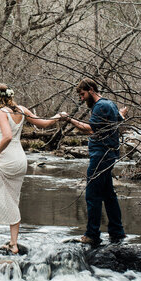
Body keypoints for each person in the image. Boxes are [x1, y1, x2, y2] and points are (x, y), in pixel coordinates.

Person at [0, 83, 61, 254]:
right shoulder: (21, 109)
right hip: (20, 159)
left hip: (5, 158)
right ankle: (13, 244)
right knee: (13, 199)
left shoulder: (0, 112)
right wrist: (58, 116)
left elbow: (7, 136)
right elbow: (43, 124)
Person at [58, 78, 128, 246]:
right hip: (108, 155)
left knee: (92, 195)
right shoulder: (109, 104)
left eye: (82, 94)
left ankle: (92, 234)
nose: (81, 99)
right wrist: (121, 114)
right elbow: (116, 120)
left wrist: (69, 119)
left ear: (91, 89)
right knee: (108, 194)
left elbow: (89, 128)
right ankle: (117, 232)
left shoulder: (100, 106)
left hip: (101, 155)